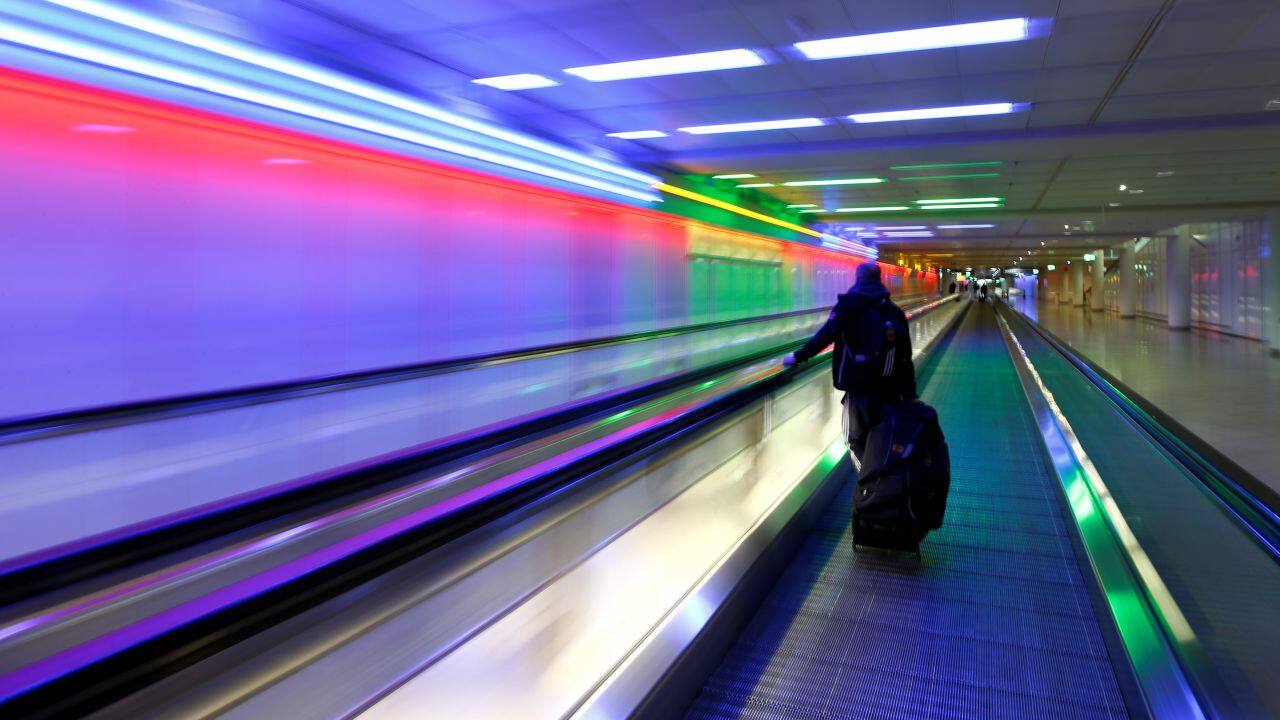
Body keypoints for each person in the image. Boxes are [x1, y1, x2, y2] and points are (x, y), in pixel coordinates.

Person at [783, 261, 917, 462]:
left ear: (858, 279)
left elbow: (826, 335)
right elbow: (905, 355)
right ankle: (881, 475)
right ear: (879, 279)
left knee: (855, 441)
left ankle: (869, 478)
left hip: (858, 388)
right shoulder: (894, 311)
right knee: (885, 439)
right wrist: (910, 394)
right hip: (889, 389)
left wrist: (798, 356)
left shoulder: (847, 306)